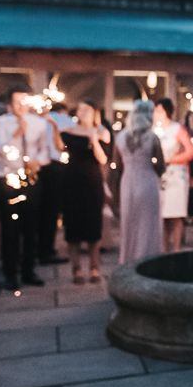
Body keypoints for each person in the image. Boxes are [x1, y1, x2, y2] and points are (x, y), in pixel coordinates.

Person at [0, 84, 50, 291]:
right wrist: (17, 133)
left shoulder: (39, 124)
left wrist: (38, 162)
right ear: (9, 105)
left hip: (30, 179)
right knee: (10, 228)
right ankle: (10, 273)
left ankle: (28, 270)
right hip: (7, 178)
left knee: (31, 226)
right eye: (17, 102)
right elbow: (0, 150)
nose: (21, 106)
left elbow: (45, 151)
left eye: (24, 101)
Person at [61, 100, 110, 284]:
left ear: (94, 111)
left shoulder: (102, 132)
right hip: (71, 181)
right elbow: (59, 148)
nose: (82, 112)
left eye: (86, 109)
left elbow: (103, 159)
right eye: (80, 109)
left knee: (92, 226)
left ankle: (94, 266)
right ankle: (76, 268)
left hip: (92, 182)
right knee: (73, 225)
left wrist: (93, 138)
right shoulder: (69, 132)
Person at [115, 100, 165, 264]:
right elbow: (160, 165)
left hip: (127, 182)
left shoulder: (120, 137)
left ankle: (128, 259)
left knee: (129, 221)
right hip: (147, 181)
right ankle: (147, 259)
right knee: (148, 224)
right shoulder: (152, 137)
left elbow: (116, 166)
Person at [153, 98, 193, 252]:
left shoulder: (177, 129)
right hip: (161, 176)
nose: (156, 114)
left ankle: (177, 248)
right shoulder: (153, 131)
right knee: (163, 215)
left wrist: (172, 159)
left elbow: (191, 151)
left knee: (176, 214)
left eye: (159, 111)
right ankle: (164, 249)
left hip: (176, 176)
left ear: (167, 112)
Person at [37, 103, 73, 265]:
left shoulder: (37, 120)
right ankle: (46, 250)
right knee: (51, 210)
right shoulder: (61, 119)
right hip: (54, 166)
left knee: (42, 210)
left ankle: (41, 249)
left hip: (38, 167)